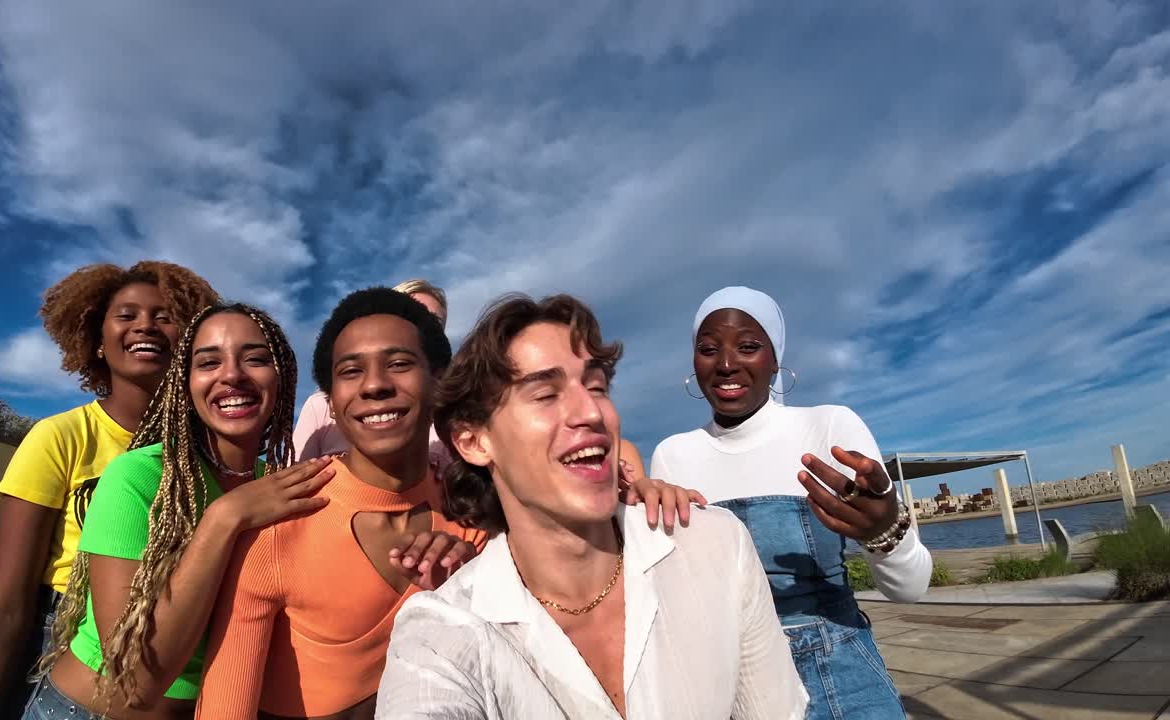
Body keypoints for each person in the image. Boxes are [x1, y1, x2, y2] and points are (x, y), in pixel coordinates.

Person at [375, 294, 808, 720]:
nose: (591, 411)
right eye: (545, 394)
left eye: (597, 387)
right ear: (474, 441)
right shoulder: (440, 635)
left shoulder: (716, 545)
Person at [23, 303, 338, 719]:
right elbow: (133, 680)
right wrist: (224, 519)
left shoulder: (282, 486)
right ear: (185, 384)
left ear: (282, 379)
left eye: (256, 359)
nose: (232, 375)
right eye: (208, 362)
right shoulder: (139, 477)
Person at [196, 287, 480, 719]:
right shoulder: (279, 525)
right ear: (330, 400)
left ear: (439, 381)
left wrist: (474, 586)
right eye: (351, 371)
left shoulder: (472, 512)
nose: (375, 385)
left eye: (399, 364)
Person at [649, 285, 932, 720]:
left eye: (748, 346)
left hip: (841, 668)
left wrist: (885, 534)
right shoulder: (673, 455)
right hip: (729, 682)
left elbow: (910, 590)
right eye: (708, 349)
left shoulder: (830, 427)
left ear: (775, 359)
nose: (726, 364)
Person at [0, 261, 219, 720]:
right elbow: (8, 602)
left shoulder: (212, 453)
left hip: (182, 653)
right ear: (97, 343)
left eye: (165, 315)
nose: (146, 324)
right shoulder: (60, 436)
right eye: (127, 315)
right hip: (62, 645)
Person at [292, 279, 449, 464]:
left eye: (434, 321)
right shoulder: (320, 405)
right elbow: (294, 476)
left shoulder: (447, 414)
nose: (374, 386)